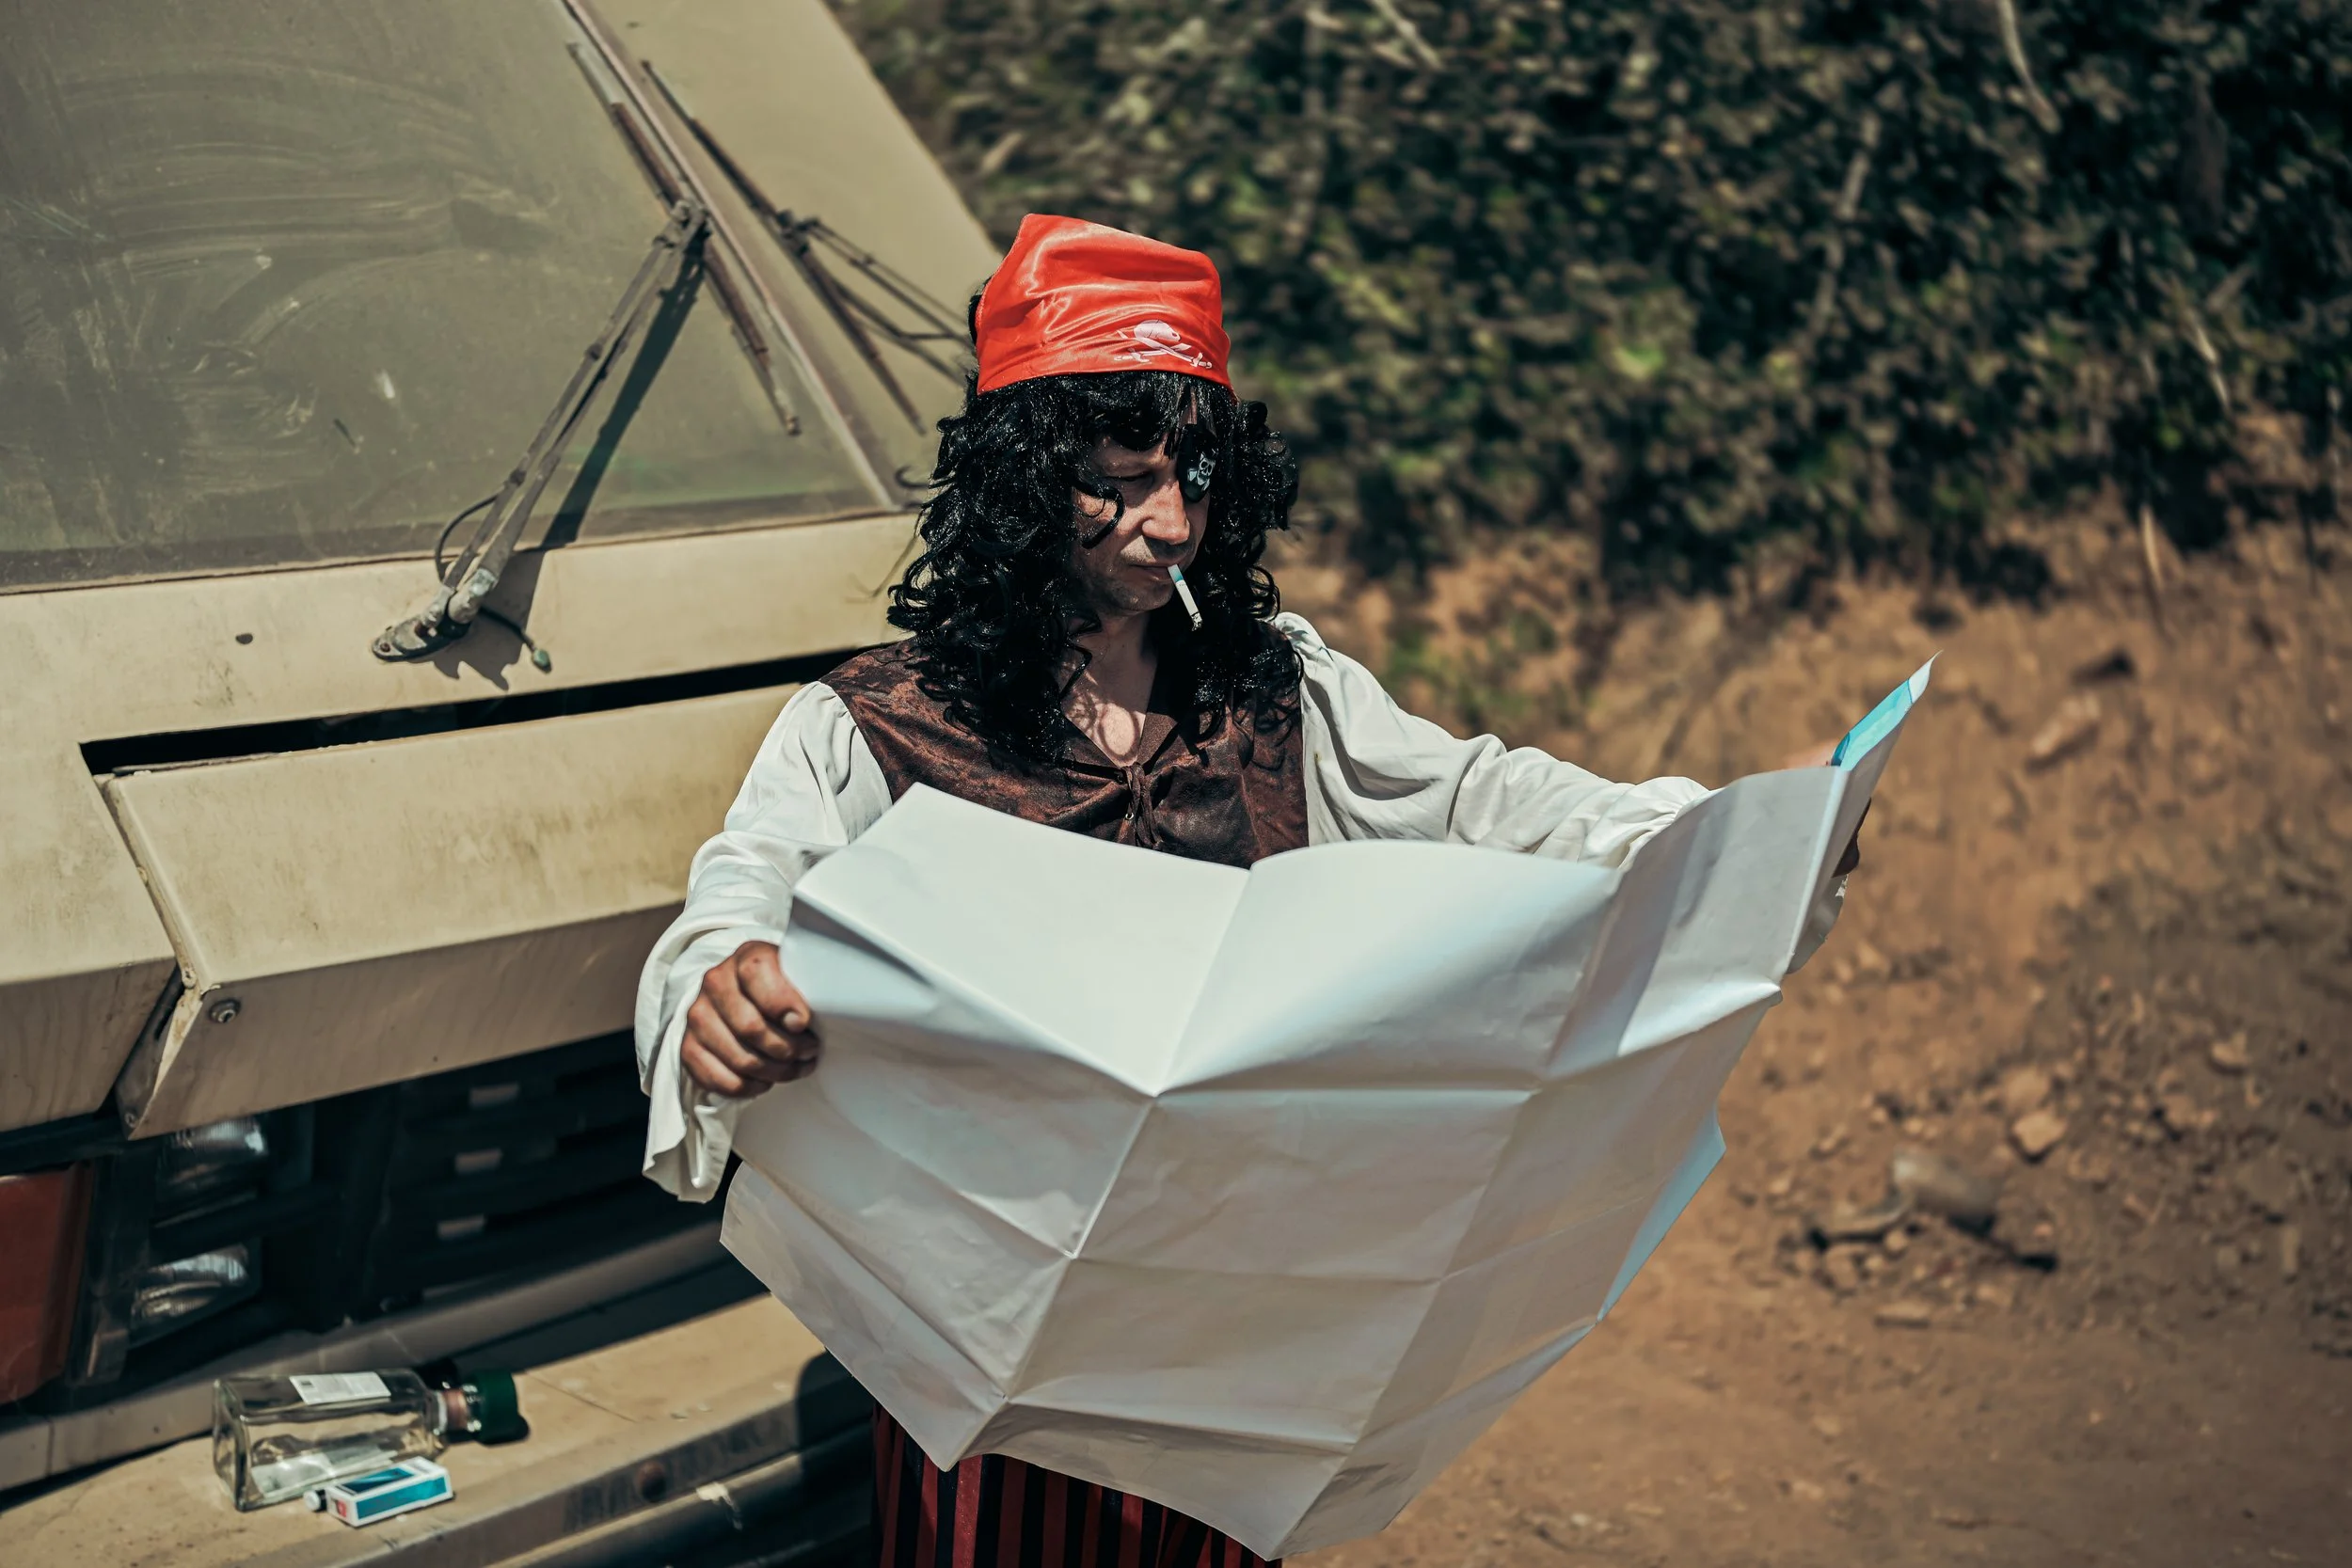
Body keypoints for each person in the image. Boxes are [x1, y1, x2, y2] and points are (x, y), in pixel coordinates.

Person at [634, 214, 1856, 1568]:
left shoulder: (1276, 690)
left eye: (1194, 475)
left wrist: (1731, 827)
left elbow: (1485, 804)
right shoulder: (875, 724)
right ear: (1022, 485)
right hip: (993, 1367)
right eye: (1119, 481)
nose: (1170, 523)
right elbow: (740, 899)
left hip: (1225, 1341)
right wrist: (724, 989)